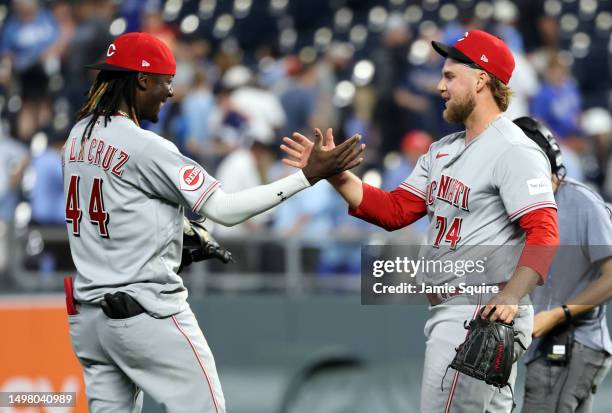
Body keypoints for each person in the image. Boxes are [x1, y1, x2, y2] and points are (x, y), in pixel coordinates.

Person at [62, 32, 364, 413]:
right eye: (165, 82)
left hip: (89, 317)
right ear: (141, 80)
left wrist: (176, 234)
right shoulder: (145, 145)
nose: (170, 93)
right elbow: (224, 209)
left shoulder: (75, 138)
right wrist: (306, 177)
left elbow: (110, 211)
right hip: (143, 311)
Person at [281, 30, 559, 412]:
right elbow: (395, 211)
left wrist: (512, 294)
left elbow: (544, 230)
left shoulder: (513, 150)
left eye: (449, 77)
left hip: (477, 311)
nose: (439, 86)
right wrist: (335, 174)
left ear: (481, 80)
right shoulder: (442, 151)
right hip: (456, 310)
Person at [515, 116, 612, 413]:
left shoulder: (583, 203)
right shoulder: (517, 209)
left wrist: (558, 314)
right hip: (550, 345)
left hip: (574, 342)